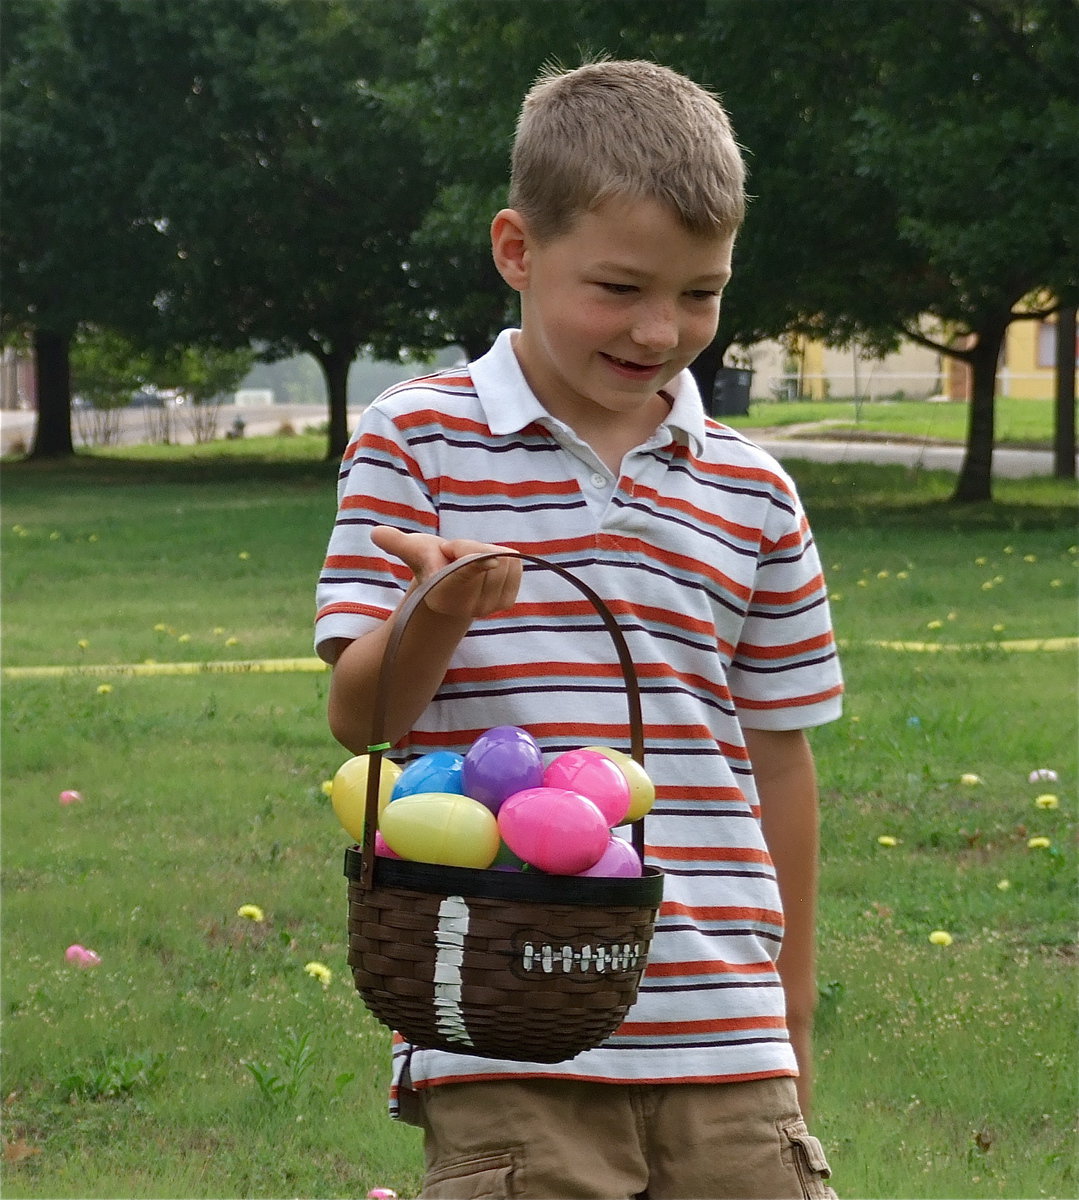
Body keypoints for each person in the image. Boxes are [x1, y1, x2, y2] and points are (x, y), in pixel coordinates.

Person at [315, 59, 843, 1200]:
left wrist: (787, 1005)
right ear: (517, 251)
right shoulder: (416, 441)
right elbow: (359, 721)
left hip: (723, 1028)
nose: (660, 329)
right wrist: (435, 610)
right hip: (504, 1007)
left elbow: (779, 756)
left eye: (699, 293)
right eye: (617, 287)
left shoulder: (751, 489)